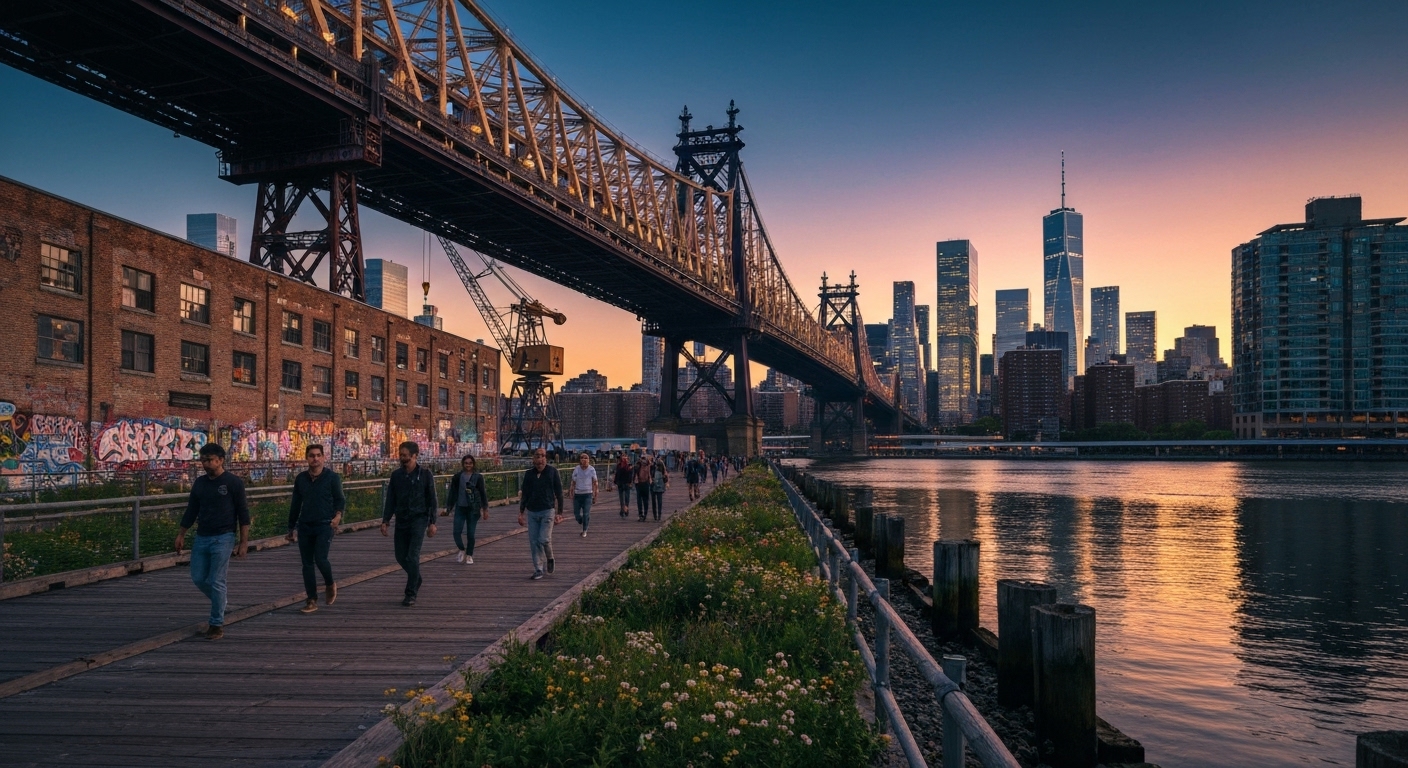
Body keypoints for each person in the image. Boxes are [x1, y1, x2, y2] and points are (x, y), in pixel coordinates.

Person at [174, 443, 249, 640]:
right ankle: (220, 601)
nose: (205, 464)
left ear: (220, 460)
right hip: (202, 536)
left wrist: (243, 542)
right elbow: (192, 510)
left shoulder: (233, 483)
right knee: (199, 578)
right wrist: (181, 534)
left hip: (224, 537)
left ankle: (216, 624)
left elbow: (243, 513)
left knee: (216, 580)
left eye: (209, 460)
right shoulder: (200, 483)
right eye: (203, 460)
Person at [286, 444, 345, 614]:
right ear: (307, 458)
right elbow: (296, 503)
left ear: (323, 457)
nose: (315, 459)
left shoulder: (332, 477)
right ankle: (311, 599)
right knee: (307, 564)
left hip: (325, 524)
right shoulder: (301, 479)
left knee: (320, 558)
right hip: (305, 525)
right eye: (312, 456)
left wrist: (338, 516)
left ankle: (330, 583)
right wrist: (291, 527)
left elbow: (340, 499)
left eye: (318, 455)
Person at [380, 441, 438, 606]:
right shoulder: (396, 476)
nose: (402, 458)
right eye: (401, 455)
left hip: (419, 519)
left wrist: (432, 522)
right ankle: (416, 577)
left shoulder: (425, 475)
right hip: (401, 519)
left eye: (405, 455)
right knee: (400, 556)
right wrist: (386, 520)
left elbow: (432, 499)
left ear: (414, 456)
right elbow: (391, 499)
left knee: (412, 555)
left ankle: (410, 593)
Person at [518, 447, 564, 579]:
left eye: (543, 456)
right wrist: (521, 512)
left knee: (544, 539)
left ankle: (550, 557)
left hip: (548, 511)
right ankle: (538, 569)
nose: (540, 459)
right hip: (532, 512)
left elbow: (559, 493)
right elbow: (525, 494)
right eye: (537, 456)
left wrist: (559, 513)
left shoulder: (552, 472)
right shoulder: (529, 474)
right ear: (533, 459)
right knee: (534, 542)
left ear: (546, 458)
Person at [443, 454, 489, 565]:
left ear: (473, 464)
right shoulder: (457, 477)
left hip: (473, 509)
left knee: (471, 534)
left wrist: (485, 509)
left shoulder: (478, 477)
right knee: (456, 532)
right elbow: (452, 493)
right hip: (460, 507)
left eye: (470, 463)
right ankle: (461, 549)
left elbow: (482, 493)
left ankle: (469, 555)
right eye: (466, 463)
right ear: (463, 464)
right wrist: (448, 508)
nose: (468, 465)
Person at [570, 452, 598, 537]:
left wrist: (595, 495)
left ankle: (584, 530)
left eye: (586, 458)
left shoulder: (591, 470)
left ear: (589, 460)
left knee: (586, 513)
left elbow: (595, 483)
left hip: (588, 494)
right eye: (582, 458)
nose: (584, 460)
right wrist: (571, 492)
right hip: (578, 494)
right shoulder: (577, 469)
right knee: (576, 514)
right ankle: (581, 520)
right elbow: (573, 482)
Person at [633, 454, 654, 521]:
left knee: (643, 500)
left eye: (644, 458)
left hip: (644, 483)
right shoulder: (639, 465)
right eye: (642, 459)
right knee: (642, 500)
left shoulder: (648, 465)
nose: (643, 460)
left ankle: (643, 514)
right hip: (641, 483)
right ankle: (642, 514)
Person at [649, 456, 670, 521]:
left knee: (654, 502)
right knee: (659, 501)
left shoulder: (653, 468)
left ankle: (656, 515)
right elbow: (666, 479)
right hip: (659, 487)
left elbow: (650, 476)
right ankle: (658, 515)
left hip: (654, 486)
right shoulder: (662, 470)